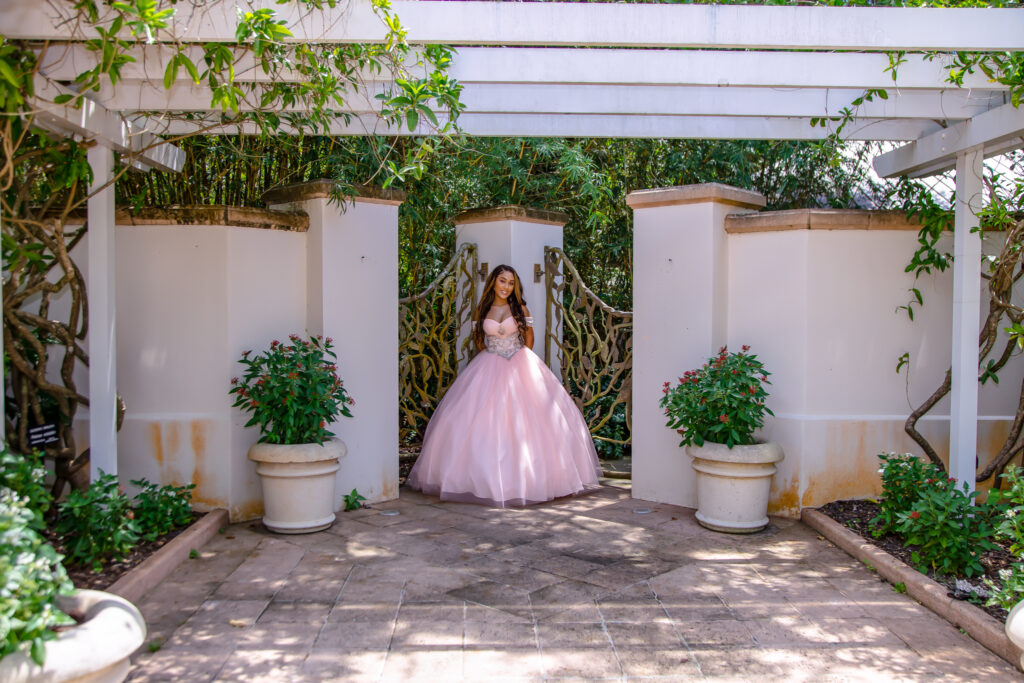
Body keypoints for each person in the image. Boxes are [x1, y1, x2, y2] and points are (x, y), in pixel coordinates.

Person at [406, 264, 602, 507]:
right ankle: (480, 481)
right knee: (475, 422)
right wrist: (494, 355)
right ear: (493, 282)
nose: (506, 287)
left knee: (530, 423)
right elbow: (479, 341)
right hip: (488, 364)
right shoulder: (482, 309)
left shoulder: (520, 309)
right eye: (502, 281)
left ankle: (532, 481)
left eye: (511, 283)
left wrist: (514, 359)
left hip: (519, 363)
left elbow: (529, 340)